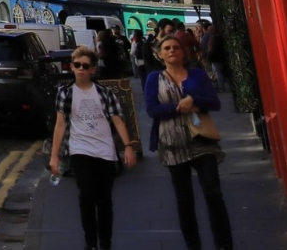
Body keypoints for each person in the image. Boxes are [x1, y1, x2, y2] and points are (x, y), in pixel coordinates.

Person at [145, 35, 233, 250]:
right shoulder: (154, 79)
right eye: (167, 48)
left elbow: (214, 103)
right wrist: (178, 107)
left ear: (184, 53)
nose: (172, 50)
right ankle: (193, 246)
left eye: (176, 47)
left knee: (213, 193)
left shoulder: (198, 75)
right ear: (159, 55)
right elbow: (152, 109)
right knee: (185, 200)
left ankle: (224, 245)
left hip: (201, 139)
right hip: (173, 143)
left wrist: (194, 99)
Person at [49, 46, 138, 250]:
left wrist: (128, 147)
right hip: (79, 150)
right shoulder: (65, 93)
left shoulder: (105, 93)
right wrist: (54, 156)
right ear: (71, 67)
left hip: (105, 151)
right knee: (86, 195)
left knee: (104, 200)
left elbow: (117, 120)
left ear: (93, 69)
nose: (80, 69)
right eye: (77, 65)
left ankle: (105, 243)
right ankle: (91, 243)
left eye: (85, 66)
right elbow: (60, 125)